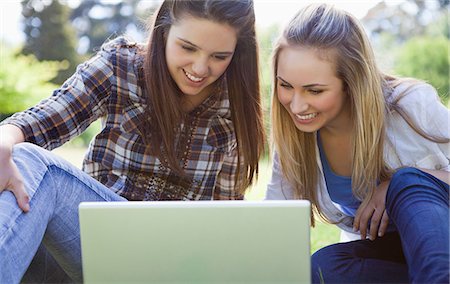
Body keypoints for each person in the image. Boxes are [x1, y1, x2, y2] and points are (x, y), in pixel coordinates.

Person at [0, 0, 266, 282]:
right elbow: (45, 121)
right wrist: (4, 142)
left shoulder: (236, 106)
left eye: (219, 56)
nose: (200, 68)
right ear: (163, 31)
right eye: (187, 48)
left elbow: (225, 215)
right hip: (89, 247)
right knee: (24, 162)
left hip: (168, 262)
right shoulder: (120, 66)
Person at [266, 3, 449, 283]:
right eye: (285, 86)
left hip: (442, 240)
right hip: (398, 256)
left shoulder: (410, 105)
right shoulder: (295, 139)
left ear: (351, 82)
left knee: (406, 183)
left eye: (314, 90)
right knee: (322, 267)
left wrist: (395, 187)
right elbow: (273, 225)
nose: (296, 105)